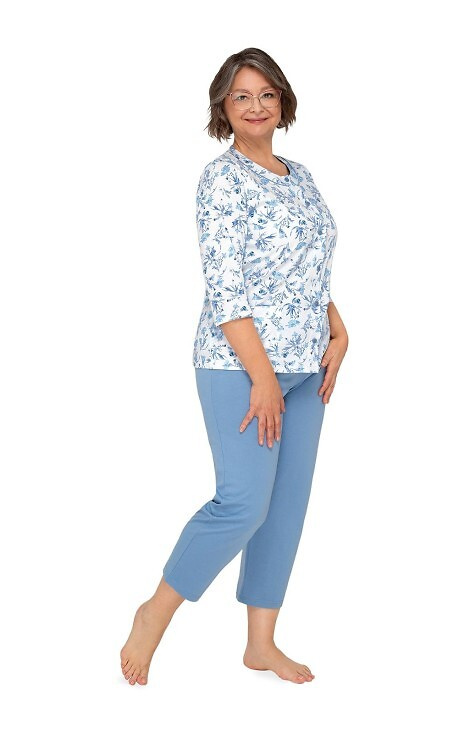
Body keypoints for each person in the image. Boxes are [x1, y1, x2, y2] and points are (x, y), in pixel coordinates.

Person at [120, 47, 348, 686]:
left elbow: (306, 267)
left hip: (308, 366)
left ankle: (261, 644)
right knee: (243, 504)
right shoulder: (221, 181)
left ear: (283, 103)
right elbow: (228, 291)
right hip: (240, 368)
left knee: (286, 506)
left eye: (267, 94)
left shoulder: (299, 175)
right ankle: (155, 612)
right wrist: (264, 380)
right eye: (242, 95)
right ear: (223, 105)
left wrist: (338, 327)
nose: (256, 106)